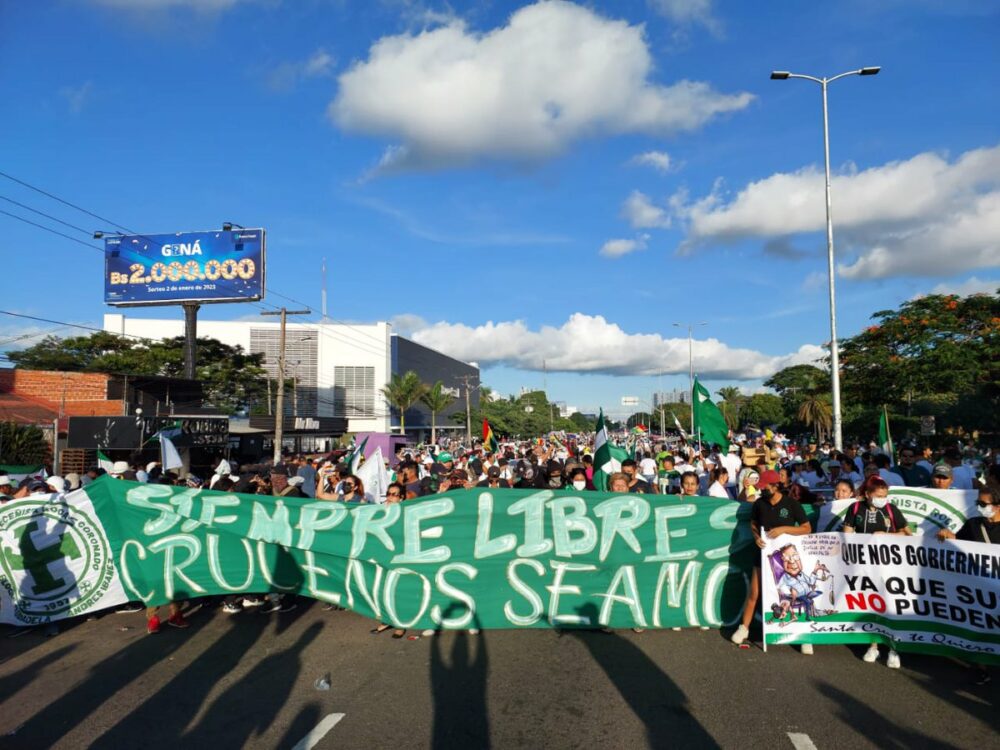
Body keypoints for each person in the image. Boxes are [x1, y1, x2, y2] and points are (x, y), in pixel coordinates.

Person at [731, 470, 813, 654]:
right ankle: (744, 628)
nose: (762, 490)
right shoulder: (759, 503)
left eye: (765, 487)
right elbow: (753, 523)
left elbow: (806, 528)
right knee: (754, 592)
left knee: (793, 595)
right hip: (763, 553)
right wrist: (755, 537)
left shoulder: (791, 504)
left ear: (776, 486)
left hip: (789, 558)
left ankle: (803, 636)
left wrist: (783, 529)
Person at [842, 475, 910, 669]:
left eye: (885, 495)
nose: (882, 499)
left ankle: (893, 648)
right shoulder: (855, 508)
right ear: (867, 494)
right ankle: (873, 645)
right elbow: (846, 535)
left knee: (891, 605)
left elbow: (907, 534)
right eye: (879, 496)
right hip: (865, 564)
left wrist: (887, 536)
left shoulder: (891, 509)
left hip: (890, 564)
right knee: (871, 604)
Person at [936, 485, 998, 685]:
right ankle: (981, 667)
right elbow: (960, 543)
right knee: (980, 623)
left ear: (997, 506)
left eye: (983, 504)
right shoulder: (973, 524)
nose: (979, 507)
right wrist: (948, 535)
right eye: (977, 502)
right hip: (978, 587)